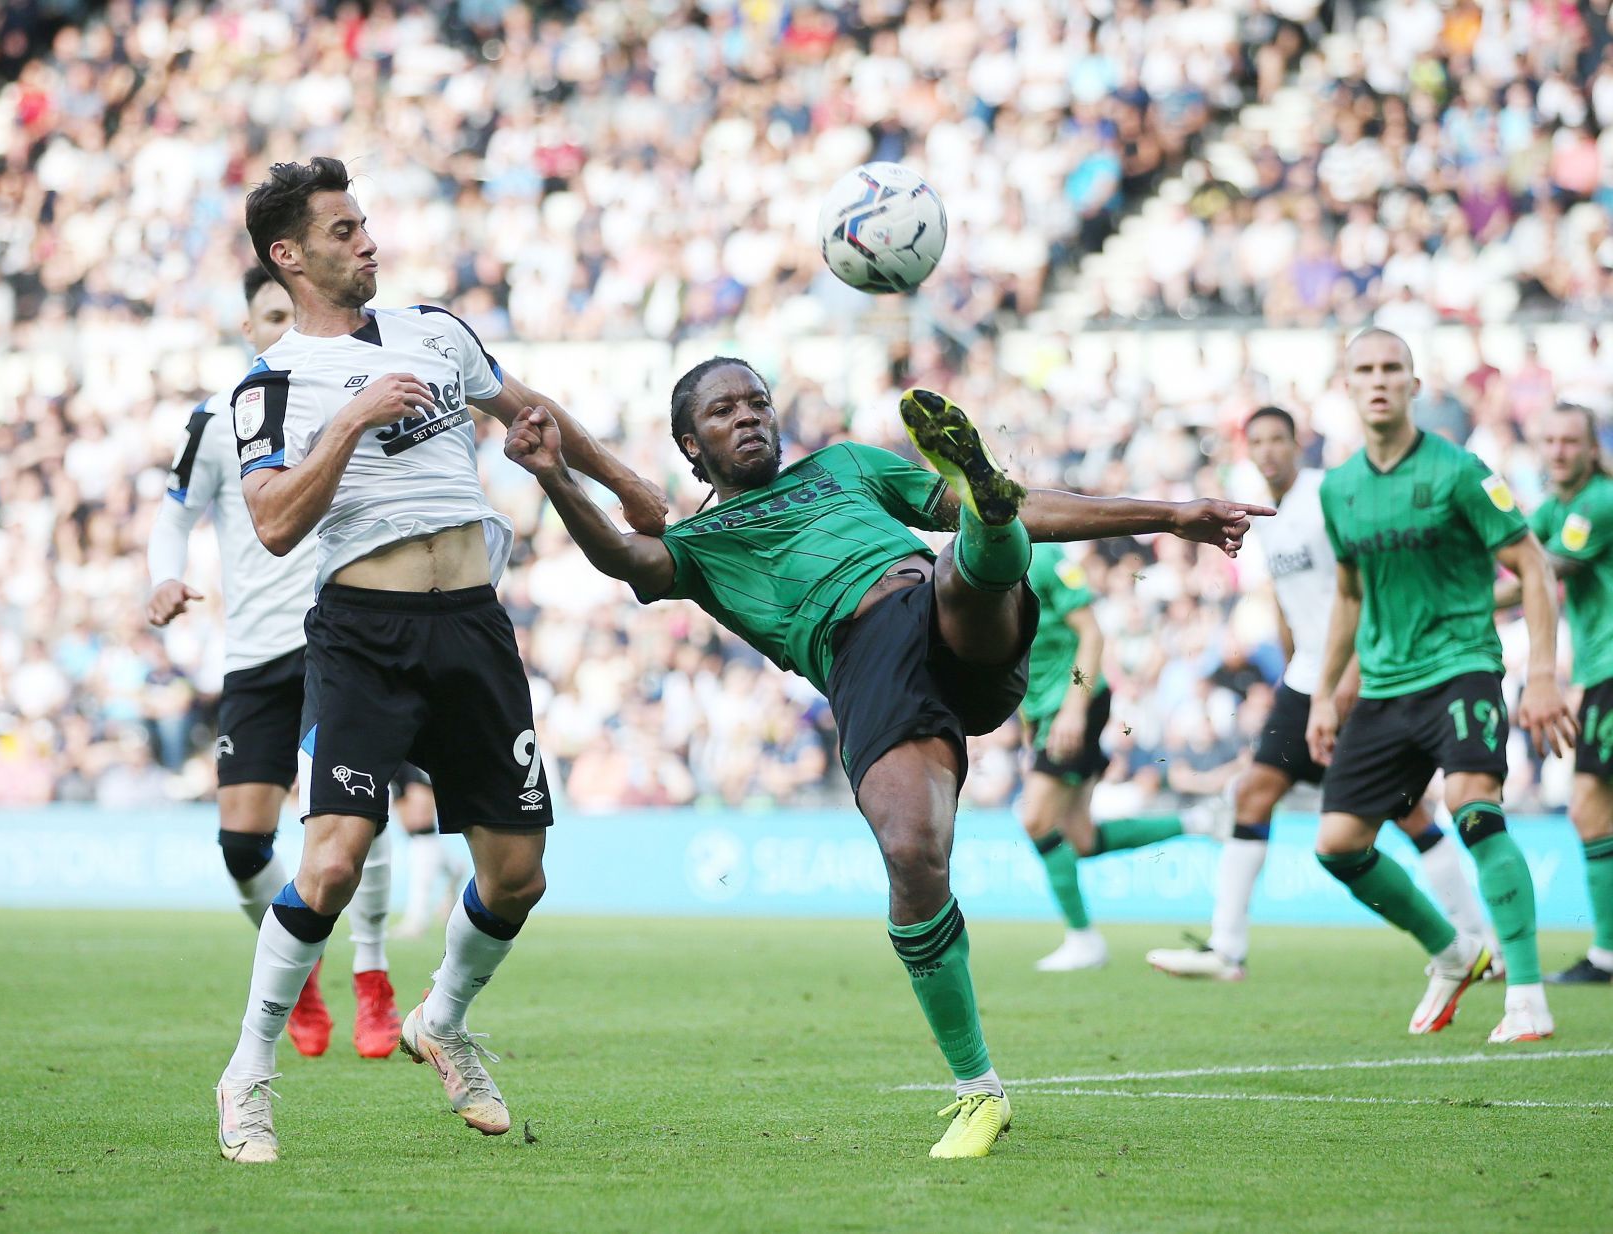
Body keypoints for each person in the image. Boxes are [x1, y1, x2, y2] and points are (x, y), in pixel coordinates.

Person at [502, 359, 1267, 1158]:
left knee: (965, 559)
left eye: (759, 402)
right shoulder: (699, 544)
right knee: (911, 853)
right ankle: (980, 1092)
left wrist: (1172, 514)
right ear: (692, 447)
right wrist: (555, 475)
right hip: (863, 664)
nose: (751, 416)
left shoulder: (846, 466)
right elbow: (628, 559)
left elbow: (1051, 505)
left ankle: (984, 513)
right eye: (726, 411)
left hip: (939, 605)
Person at [212, 158, 666, 1163]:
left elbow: (528, 406)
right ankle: (248, 1072)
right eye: (341, 232)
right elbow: (277, 523)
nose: (366, 242)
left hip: (469, 626)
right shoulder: (271, 384)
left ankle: (443, 1018)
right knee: (329, 861)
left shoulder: (437, 329)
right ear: (287, 256)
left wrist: (628, 481)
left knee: (518, 876)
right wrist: (352, 421)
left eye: (365, 224)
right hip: (362, 639)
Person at [1147, 407, 1497, 981]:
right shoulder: (1266, 517)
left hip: (1359, 677)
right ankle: (1226, 949)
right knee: (1255, 794)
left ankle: (1477, 941)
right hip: (1307, 678)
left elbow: (1363, 592)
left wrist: (1345, 681)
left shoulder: (1324, 498)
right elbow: (1290, 603)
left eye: (1277, 439)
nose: (1267, 451)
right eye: (1255, 441)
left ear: (1298, 443)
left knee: (1409, 813)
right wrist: (1294, 672)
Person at [147, 266, 399, 1062]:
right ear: (248, 328)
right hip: (254, 654)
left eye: (295, 312)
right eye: (270, 315)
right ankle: (305, 969)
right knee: (242, 845)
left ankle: (374, 974)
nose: (284, 324)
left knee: (354, 805)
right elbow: (175, 514)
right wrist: (163, 574)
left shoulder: (347, 396)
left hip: (339, 634)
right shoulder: (219, 418)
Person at [1306, 329, 1575, 1043]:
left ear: (1414, 384)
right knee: (1337, 844)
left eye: (1393, 368)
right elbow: (1351, 597)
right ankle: (1455, 951)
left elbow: (1534, 566)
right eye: (1364, 369)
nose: (1380, 380)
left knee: (1472, 807)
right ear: (1347, 385)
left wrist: (1542, 674)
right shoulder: (1338, 489)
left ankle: (1525, 993)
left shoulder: (1461, 471)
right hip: (1385, 686)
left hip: (1460, 667)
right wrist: (1327, 694)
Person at [1017, 541, 1229, 972]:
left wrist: (1073, 709)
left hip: (1072, 703)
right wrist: (1028, 725)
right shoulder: (980, 565)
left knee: (1035, 819)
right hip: (1042, 709)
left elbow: (1092, 634)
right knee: (1080, 838)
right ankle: (1200, 820)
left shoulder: (1043, 560)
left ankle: (1082, 939)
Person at [1503, 403, 1613, 984]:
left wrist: (1454, 601)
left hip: (1610, 675)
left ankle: (1607, 956)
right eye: (1550, 440)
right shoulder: (1556, 506)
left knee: (1591, 809)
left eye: (1572, 441)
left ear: (1592, 449)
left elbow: (1545, 570)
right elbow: (1514, 550)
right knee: (1594, 810)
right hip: (1599, 673)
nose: (1560, 451)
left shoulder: (1595, 503)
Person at [390, 766, 466, 939]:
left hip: (411, 752)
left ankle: (417, 919)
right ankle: (456, 868)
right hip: (391, 753)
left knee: (422, 837)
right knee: (422, 840)